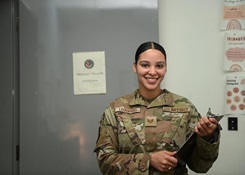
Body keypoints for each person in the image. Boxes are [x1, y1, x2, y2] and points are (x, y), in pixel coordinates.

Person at [94, 41, 221, 175]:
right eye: (145, 65)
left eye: (159, 66)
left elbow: (200, 167)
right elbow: (105, 162)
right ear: (134, 67)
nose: (153, 72)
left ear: (165, 68)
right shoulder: (116, 109)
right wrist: (149, 160)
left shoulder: (184, 107)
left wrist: (207, 138)